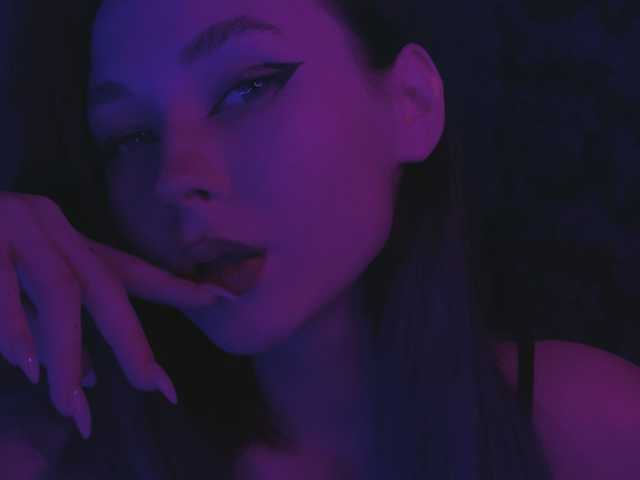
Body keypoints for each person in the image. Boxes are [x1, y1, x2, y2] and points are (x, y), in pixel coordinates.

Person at [0, 0, 558, 478]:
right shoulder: (45, 449)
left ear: (411, 104)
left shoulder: (579, 430)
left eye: (246, 90)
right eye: (130, 136)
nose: (172, 178)